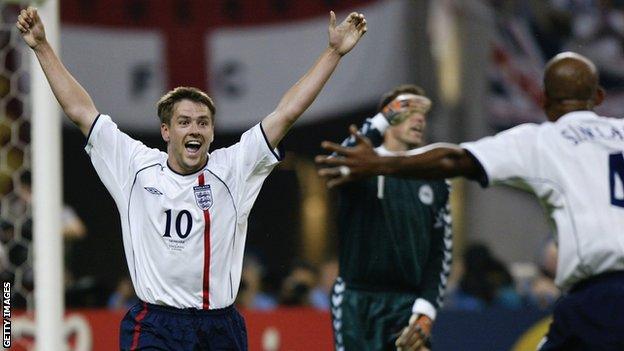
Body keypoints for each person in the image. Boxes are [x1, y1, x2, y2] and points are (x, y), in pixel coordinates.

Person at [17, 6, 366, 350]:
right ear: (166, 131)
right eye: (184, 122)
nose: (194, 128)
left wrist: (333, 53)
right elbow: (81, 111)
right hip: (156, 324)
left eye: (203, 122)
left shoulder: (234, 168)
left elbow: (287, 112)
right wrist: (42, 47)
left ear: (212, 132)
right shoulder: (135, 165)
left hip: (219, 326)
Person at [316, 51, 624, 350]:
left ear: (542, 100)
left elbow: (454, 159)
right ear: (598, 97)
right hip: (363, 299)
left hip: (601, 297)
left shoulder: (542, 141)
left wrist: (379, 163)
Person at [328, 85, 452, 351]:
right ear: (388, 118)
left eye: (422, 114)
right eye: (408, 111)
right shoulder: (361, 165)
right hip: (357, 299)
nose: (419, 118)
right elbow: (332, 164)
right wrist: (381, 119)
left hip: (407, 303)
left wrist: (427, 309)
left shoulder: (435, 178)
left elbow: (440, 253)